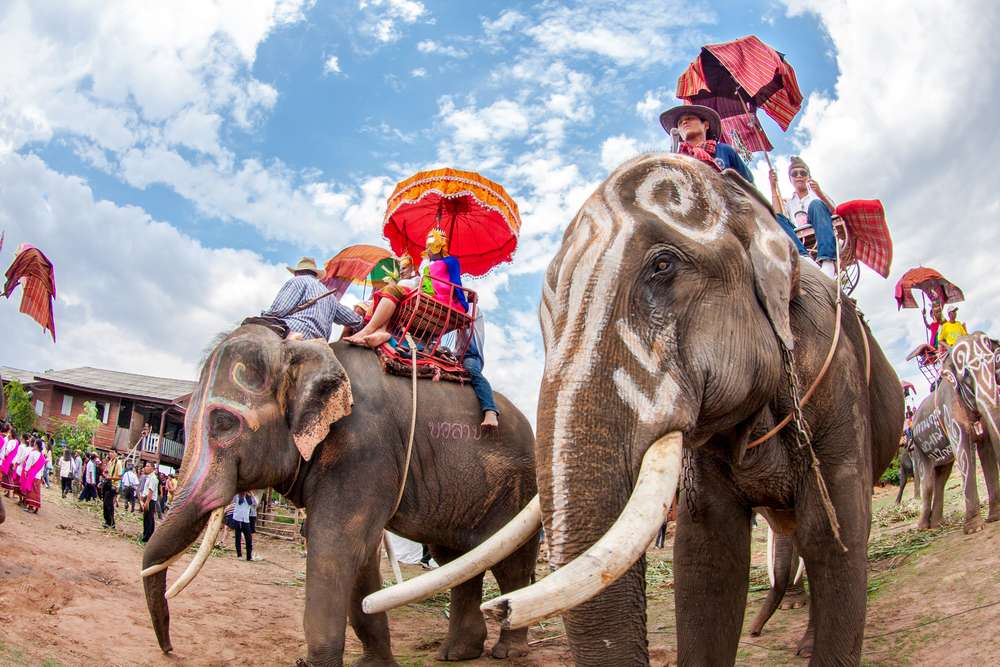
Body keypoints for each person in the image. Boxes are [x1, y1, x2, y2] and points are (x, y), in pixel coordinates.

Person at [345, 231, 469, 348]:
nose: (427, 251)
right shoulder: (428, 263)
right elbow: (424, 280)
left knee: (392, 290)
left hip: (438, 297)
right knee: (391, 291)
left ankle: (367, 330)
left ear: (437, 245)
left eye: (430, 246)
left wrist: (464, 303)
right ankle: (381, 331)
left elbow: (455, 282)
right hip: (424, 294)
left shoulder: (451, 261)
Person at [262, 257, 363, 341]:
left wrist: (264, 316)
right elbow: (354, 319)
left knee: (254, 323)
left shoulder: (297, 281)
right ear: (315, 275)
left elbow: (277, 312)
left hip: (295, 328)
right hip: (320, 340)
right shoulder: (330, 295)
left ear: (297, 273)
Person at [768, 157, 838, 278]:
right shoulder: (789, 202)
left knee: (815, 205)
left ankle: (827, 261)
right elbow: (779, 217)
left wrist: (820, 193)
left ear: (808, 177)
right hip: (799, 237)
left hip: (819, 227)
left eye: (803, 173)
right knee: (776, 217)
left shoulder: (816, 195)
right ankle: (805, 259)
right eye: (794, 174)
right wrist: (773, 187)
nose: (799, 176)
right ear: (790, 179)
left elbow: (835, 213)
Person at [659, 104, 754, 182]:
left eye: (690, 118)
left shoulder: (724, 150)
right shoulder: (677, 159)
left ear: (705, 125)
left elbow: (749, 184)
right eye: (680, 123)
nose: (684, 122)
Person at [456, 312, 500, 429]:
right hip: (457, 355)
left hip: (471, 355)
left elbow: (462, 311)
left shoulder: (472, 309)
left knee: (472, 371)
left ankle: (491, 410)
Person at [17, 440, 46, 513]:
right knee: (36, 492)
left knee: (30, 491)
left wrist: (26, 471)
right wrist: (42, 476)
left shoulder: (33, 453)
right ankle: (36, 507)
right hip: (38, 476)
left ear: (36, 445)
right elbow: (42, 469)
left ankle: (30, 507)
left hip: (31, 474)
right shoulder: (42, 457)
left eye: (35, 444)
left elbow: (28, 464)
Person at [232, 492, 256, 561]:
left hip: (246, 520)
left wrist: (252, 494)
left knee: (249, 539)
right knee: (238, 538)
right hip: (237, 519)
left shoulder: (249, 498)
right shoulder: (237, 496)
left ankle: (249, 557)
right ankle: (239, 555)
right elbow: (232, 501)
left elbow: (255, 504)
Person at [139, 462, 158, 542]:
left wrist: (147, 502)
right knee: (148, 518)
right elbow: (146, 490)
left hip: (150, 500)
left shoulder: (153, 478)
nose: (145, 467)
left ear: (152, 468)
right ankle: (149, 535)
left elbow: (150, 491)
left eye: (148, 466)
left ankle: (146, 537)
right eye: (146, 466)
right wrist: (141, 499)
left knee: (148, 519)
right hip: (147, 499)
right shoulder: (149, 477)